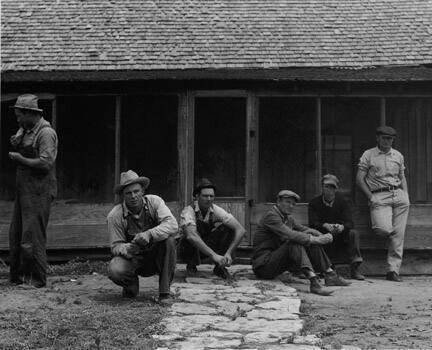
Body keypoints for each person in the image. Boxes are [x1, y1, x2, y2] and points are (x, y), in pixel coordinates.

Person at [252, 190, 351, 296]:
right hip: (263, 267)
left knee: (309, 241)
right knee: (294, 243)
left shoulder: (287, 218)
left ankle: (330, 274)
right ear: (278, 201)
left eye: (293, 204)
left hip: (276, 263)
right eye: (287, 202)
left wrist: (320, 235)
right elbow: (289, 234)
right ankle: (314, 282)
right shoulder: (271, 216)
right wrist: (316, 239)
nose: (291, 206)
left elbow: (304, 229)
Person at [8, 94, 58, 288]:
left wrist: (20, 159)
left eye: (20, 115)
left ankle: (36, 279)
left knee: (33, 235)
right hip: (24, 190)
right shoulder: (28, 128)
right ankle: (19, 276)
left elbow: (46, 163)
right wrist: (18, 137)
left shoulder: (46, 133)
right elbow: (23, 134)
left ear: (31, 114)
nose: (18, 120)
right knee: (17, 233)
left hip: (39, 190)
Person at [107, 170, 178, 301]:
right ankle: (131, 285)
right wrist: (128, 248)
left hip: (155, 256)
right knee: (115, 269)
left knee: (170, 241)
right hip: (133, 259)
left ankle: (164, 292)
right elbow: (115, 246)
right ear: (123, 196)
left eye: (136, 191)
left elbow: (173, 225)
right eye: (128, 193)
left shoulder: (155, 202)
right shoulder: (115, 216)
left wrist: (149, 234)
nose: (133, 196)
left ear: (143, 191)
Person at [356, 126, 410, 282]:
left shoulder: (398, 155)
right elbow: (359, 179)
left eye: (391, 139)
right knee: (384, 230)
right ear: (377, 138)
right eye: (385, 138)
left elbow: (402, 176)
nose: (388, 141)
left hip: (399, 195)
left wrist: (406, 195)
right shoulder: (369, 154)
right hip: (379, 196)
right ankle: (392, 266)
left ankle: (393, 271)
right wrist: (370, 197)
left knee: (398, 236)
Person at [179, 178, 246, 279]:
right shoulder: (188, 211)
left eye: (211, 196)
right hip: (188, 250)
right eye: (205, 196)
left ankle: (220, 267)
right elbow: (191, 236)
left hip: (205, 247)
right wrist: (214, 255)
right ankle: (191, 264)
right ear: (197, 197)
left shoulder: (215, 210)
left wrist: (229, 253)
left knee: (228, 228)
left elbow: (240, 229)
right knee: (190, 235)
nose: (209, 199)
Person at [308, 174, 364, 280]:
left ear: (336, 189)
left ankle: (354, 268)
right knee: (312, 234)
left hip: (340, 236)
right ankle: (319, 269)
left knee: (353, 233)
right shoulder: (314, 203)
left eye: (332, 187)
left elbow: (350, 223)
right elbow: (312, 223)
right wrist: (324, 225)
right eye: (326, 187)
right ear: (322, 188)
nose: (329, 190)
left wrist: (342, 227)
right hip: (323, 235)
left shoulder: (343, 202)